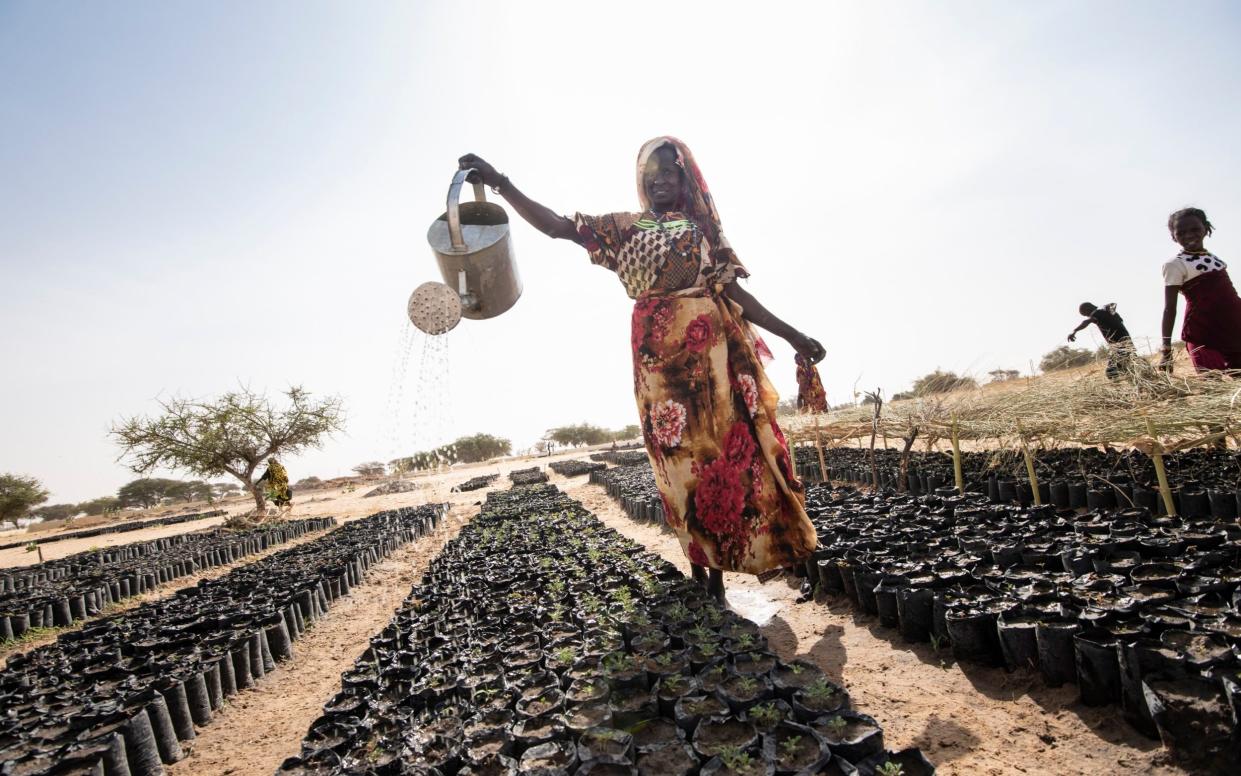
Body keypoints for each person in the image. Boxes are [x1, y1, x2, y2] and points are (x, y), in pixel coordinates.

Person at [458, 139, 822, 601]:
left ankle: (766, 561)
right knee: (678, 467)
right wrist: (500, 182)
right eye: (652, 172)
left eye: (670, 171)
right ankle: (704, 576)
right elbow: (557, 227)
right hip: (660, 370)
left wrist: (794, 335)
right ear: (641, 180)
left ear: (685, 178)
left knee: (726, 458)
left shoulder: (703, 231)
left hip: (712, 364)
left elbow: (738, 298)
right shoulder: (624, 229)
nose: (660, 178)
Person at [1161, 208, 1241, 372]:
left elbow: (1230, 297)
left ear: (1206, 228)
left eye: (1195, 229)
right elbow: (1170, 308)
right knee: (1213, 387)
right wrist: (1166, 350)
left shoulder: (1215, 259)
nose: (1189, 235)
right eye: (1181, 232)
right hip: (1203, 334)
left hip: (1234, 330)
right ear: (1173, 236)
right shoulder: (1175, 265)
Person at [1067, 302, 1134, 379]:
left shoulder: (1097, 313)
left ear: (1088, 309)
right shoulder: (1105, 309)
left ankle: (1122, 386)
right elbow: (1113, 304)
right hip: (1126, 341)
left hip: (1119, 345)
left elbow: (1086, 322)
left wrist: (1074, 331)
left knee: (1111, 372)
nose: (1087, 316)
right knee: (1128, 366)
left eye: (1085, 314)